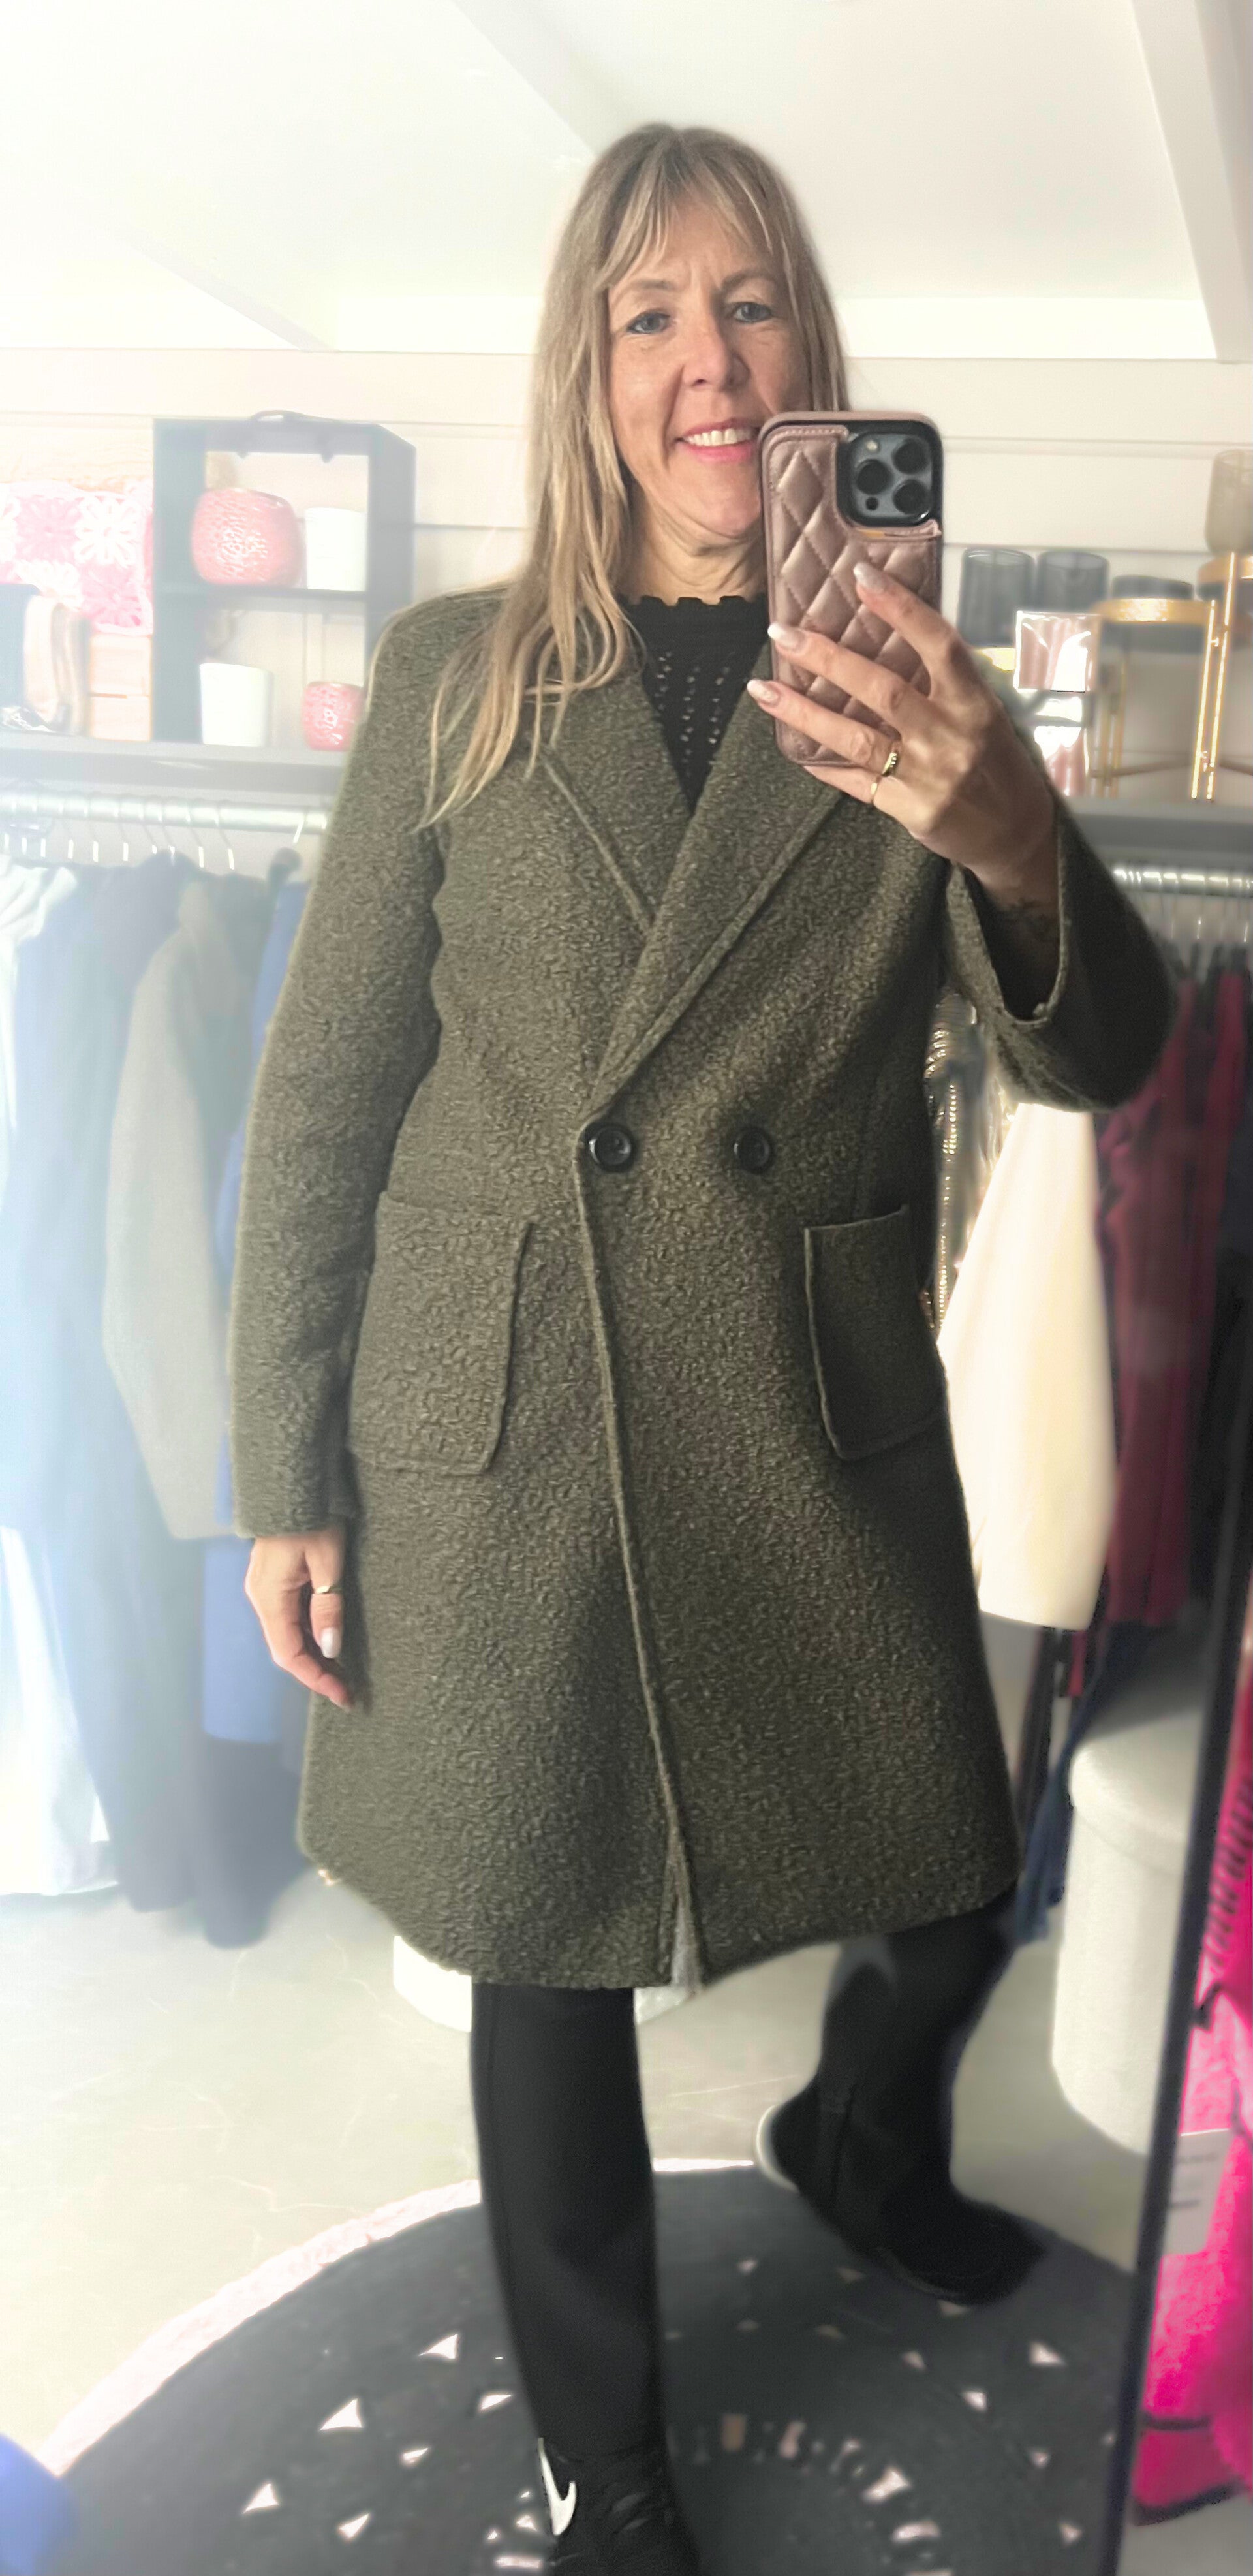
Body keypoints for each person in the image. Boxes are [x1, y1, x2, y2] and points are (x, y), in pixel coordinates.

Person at [230, 124, 1175, 2576]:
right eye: (650, 312)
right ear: (588, 363)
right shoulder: (457, 679)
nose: (706, 361)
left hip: (791, 1396)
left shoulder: (909, 685)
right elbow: (328, 1091)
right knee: (540, 1938)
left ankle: (855, 2127)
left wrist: (1011, 828)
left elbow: (1107, 1051)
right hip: (505, 1412)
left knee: (947, 1876)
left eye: (749, 305)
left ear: (812, 352)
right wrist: (285, 1465)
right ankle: (603, 2456)